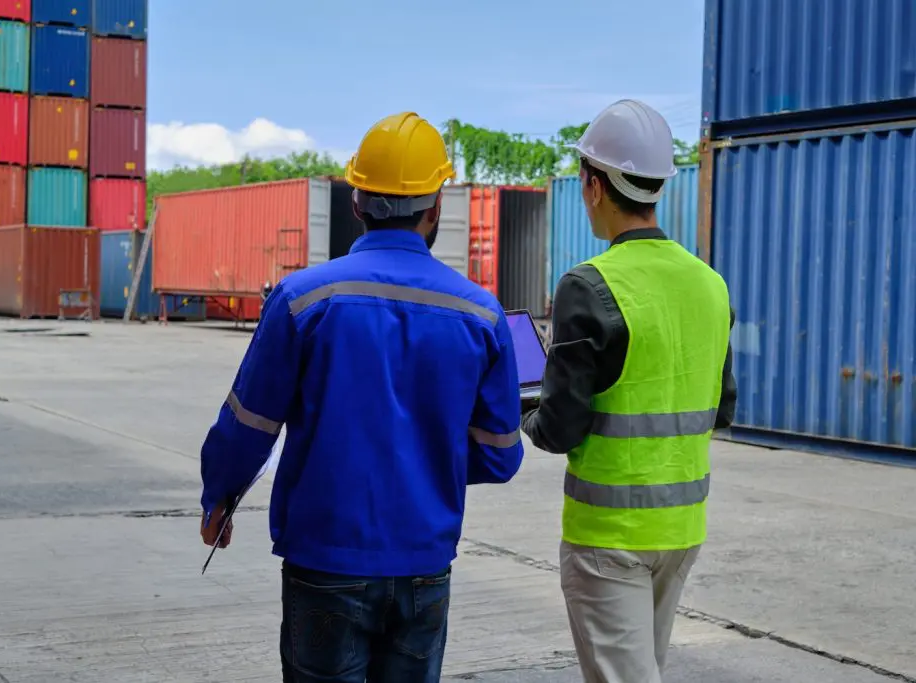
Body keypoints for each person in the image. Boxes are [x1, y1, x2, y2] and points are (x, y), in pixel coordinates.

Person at [199, 111, 525, 683]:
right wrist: (426, 463)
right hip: (425, 562)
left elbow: (249, 423)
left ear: (356, 201)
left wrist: (220, 497)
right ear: (436, 206)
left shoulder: (303, 300)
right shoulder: (480, 314)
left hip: (325, 558)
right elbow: (500, 456)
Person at [520, 99, 737, 683]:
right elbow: (723, 408)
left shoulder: (588, 285)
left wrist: (528, 415)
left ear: (593, 186)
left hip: (609, 537)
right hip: (682, 532)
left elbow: (560, 427)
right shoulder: (710, 286)